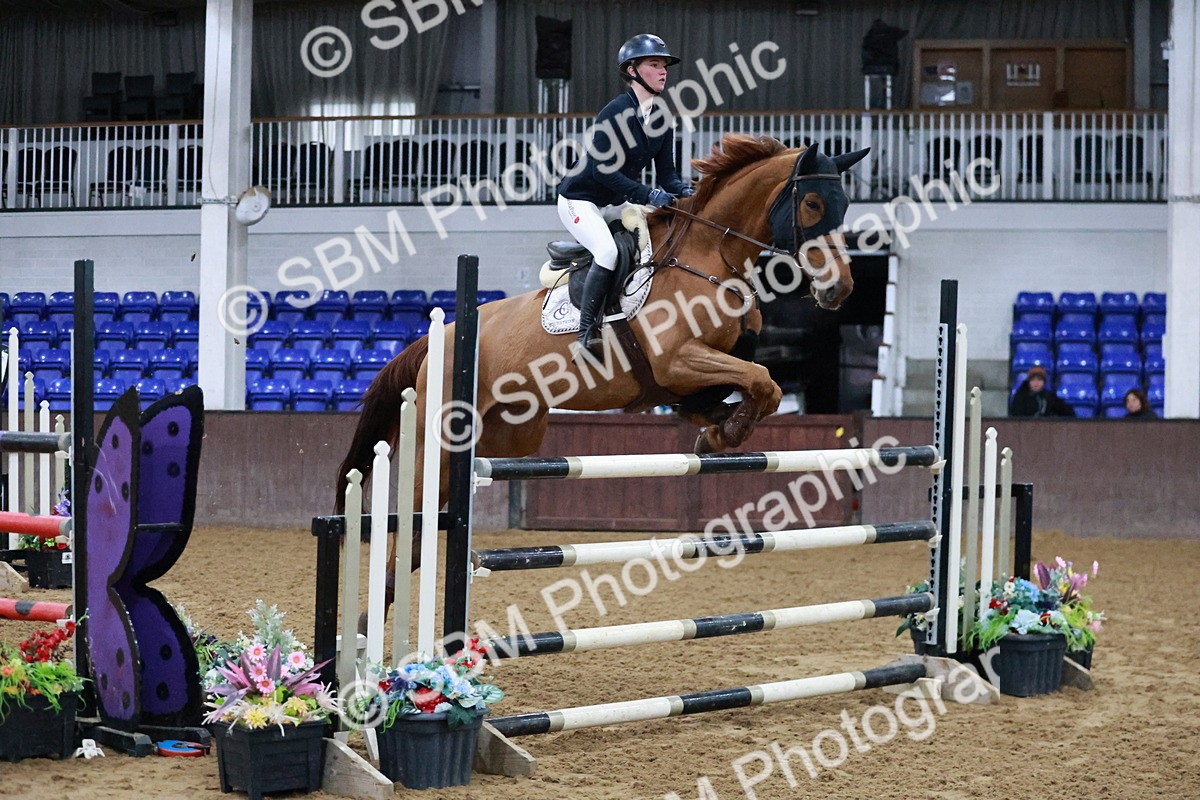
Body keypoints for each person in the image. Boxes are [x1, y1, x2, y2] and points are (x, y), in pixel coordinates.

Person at [557, 33, 691, 355]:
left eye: (665, 66)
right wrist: (648, 195)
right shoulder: (614, 113)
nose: (663, 72)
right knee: (607, 252)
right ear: (632, 70)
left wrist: (687, 192)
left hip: (615, 202)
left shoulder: (662, 118)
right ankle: (586, 335)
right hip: (580, 200)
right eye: (654, 64)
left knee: (656, 243)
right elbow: (603, 171)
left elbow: (668, 175)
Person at [1009, 366, 1077, 417]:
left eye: (1039, 380)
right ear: (1029, 382)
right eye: (1033, 380)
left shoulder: (1049, 397)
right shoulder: (1020, 397)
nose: (1036, 383)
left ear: (1044, 382)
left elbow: (1066, 410)